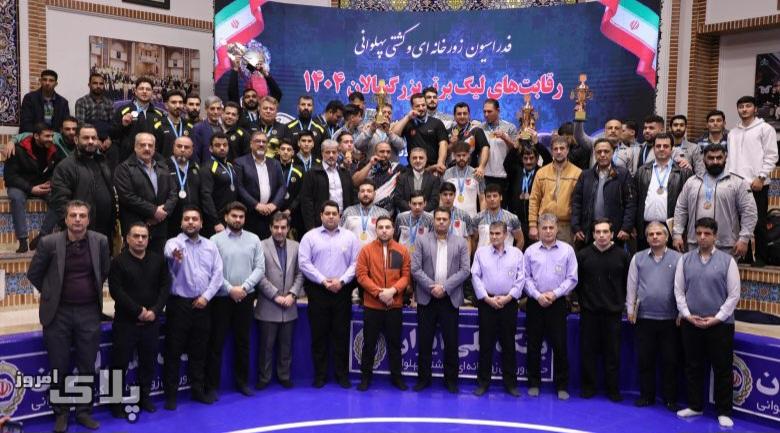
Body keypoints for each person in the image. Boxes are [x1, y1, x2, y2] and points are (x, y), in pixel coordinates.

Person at [27, 200, 110, 433]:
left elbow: (104, 271)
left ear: (88, 220)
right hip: (58, 314)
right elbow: (34, 274)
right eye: (73, 215)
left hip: (89, 313)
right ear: (65, 219)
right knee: (58, 367)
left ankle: (83, 412)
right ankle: (61, 413)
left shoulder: (100, 241)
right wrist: (52, 294)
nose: (77, 219)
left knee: (86, 366)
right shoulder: (49, 243)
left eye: (82, 215)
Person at [674, 217, 740, 429]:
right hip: (691, 323)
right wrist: (687, 315)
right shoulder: (684, 260)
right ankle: (695, 406)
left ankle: (724, 411)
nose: (702, 237)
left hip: (720, 325)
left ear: (715, 236)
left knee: (722, 369)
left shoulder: (728, 261)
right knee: (693, 366)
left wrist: (717, 318)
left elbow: (734, 296)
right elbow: (679, 291)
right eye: (699, 233)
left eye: (707, 234)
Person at [163, 207, 224, 410]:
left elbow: (218, 274)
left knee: (200, 351)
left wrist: (206, 297)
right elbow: (169, 251)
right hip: (179, 305)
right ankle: (171, 396)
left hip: (203, 304)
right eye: (187, 219)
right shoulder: (174, 243)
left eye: (195, 219)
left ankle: (198, 391)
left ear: (201, 223)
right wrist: (175, 254)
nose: (191, 222)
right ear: (181, 223)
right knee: (173, 351)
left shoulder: (210, 246)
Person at [108, 222, 170, 418]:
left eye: (144, 236)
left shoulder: (158, 260)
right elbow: (116, 291)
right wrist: (138, 311)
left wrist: (155, 310)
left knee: (148, 363)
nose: (140, 240)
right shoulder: (118, 262)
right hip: (126, 323)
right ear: (127, 239)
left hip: (151, 322)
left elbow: (165, 287)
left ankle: (145, 398)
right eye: (136, 236)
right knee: (119, 365)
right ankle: (115, 404)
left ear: (148, 239)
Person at [298, 201, 361, 388]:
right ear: (321, 215)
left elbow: (356, 263)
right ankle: (320, 375)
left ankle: (342, 376)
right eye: (327, 213)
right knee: (319, 336)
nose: (331, 216)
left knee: (341, 335)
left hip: (342, 291)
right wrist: (324, 281)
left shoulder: (350, 237)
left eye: (334, 213)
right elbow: (304, 263)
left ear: (340, 216)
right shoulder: (309, 237)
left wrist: (341, 281)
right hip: (319, 291)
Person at [207, 202, 265, 400]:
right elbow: (213, 270)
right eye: (234, 216)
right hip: (221, 299)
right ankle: (211, 386)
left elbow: (260, 268)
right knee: (216, 343)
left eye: (241, 216)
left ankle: (242, 383)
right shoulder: (214, 240)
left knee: (243, 342)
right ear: (226, 217)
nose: (238, 220)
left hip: (246, 298)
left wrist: (244, 288)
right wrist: (230, 289)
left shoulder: (254, 239)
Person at [411, 208, 470, 393]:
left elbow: (465, 270)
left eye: (445, 219)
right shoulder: (421, 240)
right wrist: (433, 287)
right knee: (425, 342)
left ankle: (451, 381)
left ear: (450, 221)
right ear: (433, 221)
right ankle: (423, 380)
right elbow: (415, 269)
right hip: (427, 298)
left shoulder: (461, 242)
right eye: (438, 219)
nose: (441, 222)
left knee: (451, 342)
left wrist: (444, 288)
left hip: (449, 298)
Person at [626, 221, 682, 411]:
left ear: (666, 237)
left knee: (670, 361)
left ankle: (670, 399)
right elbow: (632, 285)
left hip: (670, 319)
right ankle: (646, 396)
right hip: (644, 318)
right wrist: (630, 309)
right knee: (645, 360)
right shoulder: (638, 258)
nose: (655, 237)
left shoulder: (678, 259)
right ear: (647, 238)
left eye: (659, 233)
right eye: (651, 234)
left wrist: (682, 312)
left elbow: (683, 288)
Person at [523, 213, 577, 400]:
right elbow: (525, 278)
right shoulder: (530, 251)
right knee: (533, 345)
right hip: (535, 302)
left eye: (551, 228)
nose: (547, 231)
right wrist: (538, 295)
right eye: (544, 228)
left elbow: (572, 278)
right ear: (538, 229)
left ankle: (562, 385)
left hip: (557, 303)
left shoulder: (567, 250)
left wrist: (554, 294)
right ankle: (534, 383)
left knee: (560, 346)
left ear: (557, 229)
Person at [575, 219, 629, 402]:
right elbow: (578, 283)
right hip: (589, 313)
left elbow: (626, 283)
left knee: (612, 353)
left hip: (613, 314)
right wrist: (584, 303)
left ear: (612, 234)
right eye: (598, 232)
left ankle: (612, 390)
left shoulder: (622, 256)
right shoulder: (583, 255)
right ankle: (588, 387)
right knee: (588, 352)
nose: (602, 235)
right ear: (593, 234)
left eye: (605, 232)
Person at [355, 216, 411, 391]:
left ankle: (397, 378)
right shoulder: (366, 250)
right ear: (376, 230)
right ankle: (365, 378)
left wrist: (393, 291)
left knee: (395, 344)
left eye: (388, 227)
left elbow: (405, 276)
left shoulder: (402, 250)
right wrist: (379, 293)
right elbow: (361, 276)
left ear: (393, 230)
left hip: (394, 305)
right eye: (381, 227)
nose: (384, 230)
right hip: (373, 306)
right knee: (369, 344)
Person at [471, 221, 525, 397]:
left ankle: (511, 384)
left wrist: (509, 297)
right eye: (492, 233)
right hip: (487, 303)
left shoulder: (516, 254)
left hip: (509, 304)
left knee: (508, 344)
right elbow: (475, 277)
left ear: (506, 235)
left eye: (497, 233)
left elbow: (521, 279)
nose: (494, 237)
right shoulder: (481, 253)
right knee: (485, 344)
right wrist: (487, 298)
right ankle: (483, 382)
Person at [672, 144, 757, 255]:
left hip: (726, 245)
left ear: (725, 158)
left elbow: (749, 212)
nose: (715, 161)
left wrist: (744, 238)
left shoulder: (738, 183)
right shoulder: (692, 182)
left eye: (719, 158)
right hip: (695, 244)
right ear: (703, 159)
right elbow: (681, 209)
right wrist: (677, 234)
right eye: (711, 158)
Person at [726, 95, 778, 267]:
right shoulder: (733, 133)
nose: (744, 109)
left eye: (748, 106)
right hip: (735, 184)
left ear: (755, 109)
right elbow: (730, 159)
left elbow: (772, 156)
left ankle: (761, 257)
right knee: (738, 222)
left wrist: (761, 177)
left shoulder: (765, 129)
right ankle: (745, 256)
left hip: (757, 184)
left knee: (758, 222)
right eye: (741, 106)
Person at [256, 213, 304, 389]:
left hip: (289, 305)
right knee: (266, 347)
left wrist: (292, 294)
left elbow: (301, 273)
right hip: (268, 304)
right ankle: (264, 378)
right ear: (270, 227)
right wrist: (275, 295)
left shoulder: (296, 246)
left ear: (288, 228)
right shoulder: (260, 245)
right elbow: (259, 275)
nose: (279, 231)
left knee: (286, 346)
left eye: (283, 227)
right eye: (276, 227)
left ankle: (284, 376)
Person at [113, 133, 178, 254]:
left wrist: (163, 212)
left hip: (160, 228)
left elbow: (173, 192)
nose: (147, 148)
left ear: (154, 148)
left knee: (158, 262)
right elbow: (127, 197)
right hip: (136, 228)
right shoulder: (124, 168)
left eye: (150, 145)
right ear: (135, 147)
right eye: (142, 145)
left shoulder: (163, 167)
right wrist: (154, 211)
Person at [49, 124, 116, 241]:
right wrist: (76, 226)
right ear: (76, 140)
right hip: (79, 233)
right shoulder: (66, 166)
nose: (90, 141)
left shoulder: (103, 162)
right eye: (86, 138)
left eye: (94, 138)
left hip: (105, 231)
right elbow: (60, 202)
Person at [4, 122, 62, 252]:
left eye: (52, 136)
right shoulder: (18, 150)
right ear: (36, 136)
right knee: (16, 198)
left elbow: (57, 171)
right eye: (47, 136)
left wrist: (51, 182)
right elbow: (10, 177)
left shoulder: (54, 150)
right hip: (20, 185)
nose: (51, 139)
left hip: (42, 185)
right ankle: (22, 240)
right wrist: (31, 188)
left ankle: (42, 236)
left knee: (59, 198)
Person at [633, 132, 692, 250]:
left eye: (665, 146)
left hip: (670, 228)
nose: (661, 149)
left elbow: (687, 204)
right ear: (653, 148)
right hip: (645, 227)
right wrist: (633, 225)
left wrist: (681, 231)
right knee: (645, 259)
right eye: (658, 146)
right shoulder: (642, 170)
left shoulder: (683, 172)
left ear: (672, 149)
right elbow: (635, 200)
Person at [571, 138, 635, 246]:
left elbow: (630, 203)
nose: (602, 155)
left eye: (606, 151)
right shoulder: (585, 175)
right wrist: (576, 227)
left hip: (615, 232)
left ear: (612, 153)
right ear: (594, 154)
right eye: (599, 152)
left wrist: (626, 228)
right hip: (588, 232)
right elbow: (576, 203)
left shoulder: (623, 174)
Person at [528, 136, 582, 244]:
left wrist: (578, 227)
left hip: (567, 226)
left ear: (567, 150)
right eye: (555, 149)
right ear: (551, 151)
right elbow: (534, 199)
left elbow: (580, 203)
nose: (559, 152)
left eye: (562, 148)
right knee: (543, 254)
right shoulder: (541, 173)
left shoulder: (577, 173)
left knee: (566, 254)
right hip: (545, 224)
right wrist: (532, 224)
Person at [234, 131, 287, 239]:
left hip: (271, 214)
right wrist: (256, 205)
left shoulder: (275, 163)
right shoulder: (240, 163)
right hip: (250, 214)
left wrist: (274, 204)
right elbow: (239, 187)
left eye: (264, 142)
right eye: (258, 141)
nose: (261, 144)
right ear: (251, 144)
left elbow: (282, 186)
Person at [299, 140, 356, 231]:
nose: (331, 155)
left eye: (334, 152)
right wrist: (311, 227)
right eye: (327, 152)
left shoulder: (344, 173)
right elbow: (306, 202)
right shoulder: (312, 173)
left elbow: (351, 197)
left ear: (338, 153)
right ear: (322, 153)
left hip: (344, 220)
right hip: (321, 222)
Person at [111, 77, 165, 162]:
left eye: (148, 89)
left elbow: (162, 140)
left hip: (152, 161)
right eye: (141, 89)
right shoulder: (123, 110)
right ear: (135, 91)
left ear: (152, 93)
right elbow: (113, 135)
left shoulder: (159, 115)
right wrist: (123, 125)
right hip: (128, 160)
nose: (144, 91)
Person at [391, 93, 448, 175]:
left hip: (433, 168)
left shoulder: (437, 123)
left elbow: (443, 144)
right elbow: (394, 134)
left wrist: (440, 163)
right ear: (412, 107)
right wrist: (408, 117)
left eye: (423, 105)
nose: (421, 108)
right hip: (413, 169)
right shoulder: (408, 122)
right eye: (417, 106)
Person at [200, 132, 239, 237]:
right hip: (216, 222)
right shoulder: (207, 167)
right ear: (210, 148)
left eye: (225, 145)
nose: (222, 148)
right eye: (217, 145)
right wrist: (216, 222)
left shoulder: (230, 166)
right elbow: (206, 196)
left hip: (231, 218)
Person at [166, 136, 206, 239]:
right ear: (173, 148)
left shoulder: (196, 167)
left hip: (193, 220)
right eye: (179, 146)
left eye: (186, 147)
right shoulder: (164, 167)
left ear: (192, 150)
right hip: (171, 219)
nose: (183, 150)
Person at [351, 141, 403, 211]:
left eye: (388, 152)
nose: (385, 154)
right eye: (382, 151)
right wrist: (370, 164)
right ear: (375, 153)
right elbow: (355, 182)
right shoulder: (365, 165)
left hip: (388, 213)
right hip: (366, 211)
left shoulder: (397, 167)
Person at [472, 183, 524, 250]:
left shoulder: (512, 218)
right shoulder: (477, 218)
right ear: (485, 199)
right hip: (483, 256)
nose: (492, 199)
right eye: (488, 196)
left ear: (501, 197)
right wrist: (477, 255)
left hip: (505, 256)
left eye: (495, 196)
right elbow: (473, 240)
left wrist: (514, 255)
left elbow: (520, 240)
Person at [480, 99, 517, 193]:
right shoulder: (479, 128)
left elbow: (516, 150)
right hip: (484, 175)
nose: (486, 114)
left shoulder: (510, 127)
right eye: (484, 111)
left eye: (489, 111)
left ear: (498, 111)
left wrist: (505, 138)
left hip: (504, 175)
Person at [505, 145, 539, 246]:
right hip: (516, 222)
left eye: (531, 158)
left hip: (534, 222)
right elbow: (507, 163)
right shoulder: (516, 171)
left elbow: (548, 159)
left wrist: (538, 144)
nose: (528, 161)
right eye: (525, 158)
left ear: (537, 159)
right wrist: (515, 147)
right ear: (521, 159)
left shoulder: (541, 173)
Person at [443, 141, 486, 218]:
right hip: (451, 217)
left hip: (471, 217)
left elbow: (482, 198)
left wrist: (482, 218)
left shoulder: (477, 173)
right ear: (454, 155)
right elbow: (442, 197)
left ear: (468, 155)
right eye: (458, 155)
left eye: (464, 155)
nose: (461, 158)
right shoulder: (447, 173)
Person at [341, 180, 391, 247]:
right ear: (358, 194)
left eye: (369, 191)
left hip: (375, 252)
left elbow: (388, 237)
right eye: (362, 191)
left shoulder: (383, 214)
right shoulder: (348, 211)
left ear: (374, 194)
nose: (365, 194)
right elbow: (340, 234)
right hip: (352, 252)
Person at [393, 147, 441, 213]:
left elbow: (434, 201)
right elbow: (398, 199)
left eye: (421, 158)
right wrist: (413, 211)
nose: (418, 160)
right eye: (414, 158)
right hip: (406, 215)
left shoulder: (434, 179)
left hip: (427, 215)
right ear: (410, 160)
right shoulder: (402, 178)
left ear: (426, 159)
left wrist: (421, 211)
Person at [20, 69, 70, 133]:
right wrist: (41, 135)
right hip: (33, 135)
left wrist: (53, 136)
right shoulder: (29, 98)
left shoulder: (63, 102)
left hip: (55, 136)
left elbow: (65, 124)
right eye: (44, 80)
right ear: (40, 81)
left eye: (51, 80)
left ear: (56, 84)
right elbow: (25, 123)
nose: (47, 83)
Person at [449, 102, 489, 175]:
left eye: (465, 113)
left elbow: (485, 148)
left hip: (471, 172)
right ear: (454, 116)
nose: (462, 116)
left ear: (469, 115)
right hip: (451, 172)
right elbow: (443, 152)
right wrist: (451, 144)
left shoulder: (476, 130)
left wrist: (482, 166)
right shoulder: (448, 131)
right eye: (459, 114)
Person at [159, 90, 195, 158]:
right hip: (165, 164)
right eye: (174, 102)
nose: (178, 106)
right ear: (166, 105)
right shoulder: (158, 126)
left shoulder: (189, 127)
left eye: (180, 102)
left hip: (185, 163)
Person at [191, 96, 225, 164]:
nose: (216, 112)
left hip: (220, 167)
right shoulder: (198, 128)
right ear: (206, 109)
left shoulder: (223, 128)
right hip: (205, 167)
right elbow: (195, 154)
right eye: (212, 109)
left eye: (218, 109)